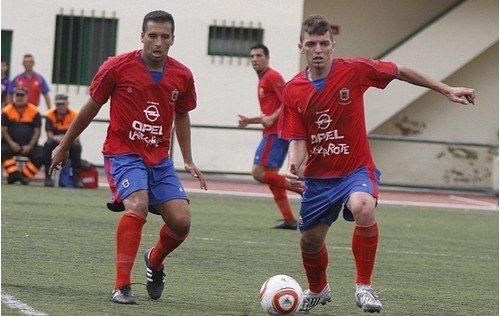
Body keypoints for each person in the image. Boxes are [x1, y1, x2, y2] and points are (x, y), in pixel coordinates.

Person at [280, 15, 476, 313]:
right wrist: (295, 165)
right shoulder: (293, 89)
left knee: (363, 206)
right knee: (310, 241)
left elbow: (400, 71)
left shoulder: (354, 70)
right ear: (301, 47)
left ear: (332, 46)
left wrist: (446, 89)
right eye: (311, 44)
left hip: (355, 169)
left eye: (323, 44)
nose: (317, 49)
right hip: (319, 179)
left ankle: (364, 287)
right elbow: (297, 138)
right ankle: (318, 290)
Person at [49, 10, 207, 304]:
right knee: (137, 205)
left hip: (159, 160)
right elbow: (90, 108)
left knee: (181, 222)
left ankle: (155, 260)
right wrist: (65, 144)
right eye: (152, 36)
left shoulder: (182, 75)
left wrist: (187, 158)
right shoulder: (117, 67)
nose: (158, 43)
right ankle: (121, 286)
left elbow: (182, 114)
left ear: (172, 39)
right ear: (142, 37)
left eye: (164, 37)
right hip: (123, 153)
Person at [237, 43, 303, 230]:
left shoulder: (272, 76)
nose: (255, 59)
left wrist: (272, 118)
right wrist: (250, 120)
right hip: (272, 131)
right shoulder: (263, 79)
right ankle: (289, 218)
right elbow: (269, 112)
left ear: (267, 58)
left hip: (275, 133)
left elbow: (287, 102)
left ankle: (302, 189)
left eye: (259, 55)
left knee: (258, 173)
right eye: (252, 56)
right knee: (270, 176)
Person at [1, 86, 43, 184]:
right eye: (17, 95)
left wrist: (30, 146)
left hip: (29, 145)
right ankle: (15, 175)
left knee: (41, 154)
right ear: (14, 96)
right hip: (10, 144)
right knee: (2, 150)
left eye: (22, 95)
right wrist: (12, 144)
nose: (19, 97)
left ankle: (24, 176)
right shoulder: (6, 110)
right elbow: (4, 130)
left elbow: (38, 131)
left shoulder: (35, 111)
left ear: (27, 97)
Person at [43, 94, 82, 187]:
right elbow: (49, 134)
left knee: (77, 146)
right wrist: (57, 138)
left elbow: (77, 134)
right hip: (55, 141)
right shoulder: (50, 115)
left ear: (67, 103)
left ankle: (76, 177)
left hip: (70, 141)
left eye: (62, 104)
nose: (60, 106)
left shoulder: (75, 115)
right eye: (58, 104)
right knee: (47, 145)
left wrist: (65, 140)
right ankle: (48, 177)